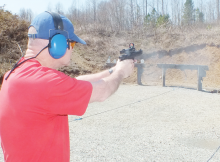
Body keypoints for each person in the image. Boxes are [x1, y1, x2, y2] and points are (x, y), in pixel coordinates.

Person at [0, 11, 134, 162]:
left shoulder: (16, 73)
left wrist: (113, 70)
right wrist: (122, 72)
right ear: (58, 43)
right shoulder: (45, 83)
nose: (72, 48)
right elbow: (102, 92)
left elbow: (73, 83)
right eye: (72, 43)